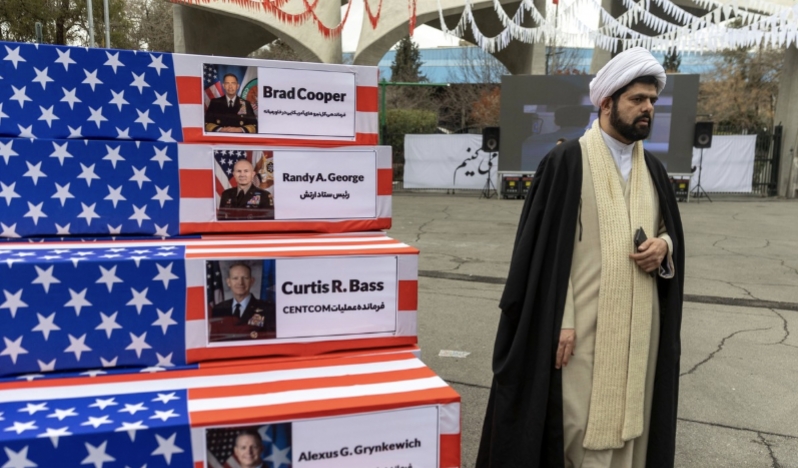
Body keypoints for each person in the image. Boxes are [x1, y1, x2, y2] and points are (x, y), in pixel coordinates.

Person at [477, 47, 685, 468]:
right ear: (607, 103)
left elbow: (669, 232)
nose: (647, 108)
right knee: (575, 424)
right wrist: (562, 320)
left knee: (634, 423)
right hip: (581, 329)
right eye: (637, 99)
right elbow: (543, 252)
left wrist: (664, 247)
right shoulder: (567, 161)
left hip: (639, 328)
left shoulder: (654, 171)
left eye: (652, 100)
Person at [210, 263, 276, 341]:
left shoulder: (268, 309)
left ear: (252, 281)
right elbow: (214, 341)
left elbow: (271, 342)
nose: (240, 282)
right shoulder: (218, 309)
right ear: (228, 282)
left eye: (245, 278)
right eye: (235, 278)